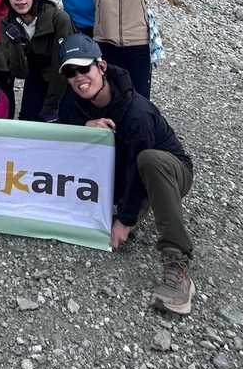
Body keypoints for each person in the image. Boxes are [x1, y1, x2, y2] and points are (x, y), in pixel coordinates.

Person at [55, 33, 195, 314]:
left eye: (84, 68)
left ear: (101, 66)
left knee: (149, 160)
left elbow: (135, 166)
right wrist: (84, 127)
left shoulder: (137, 113)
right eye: (70, 72)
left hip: (167, 173)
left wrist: (126, 220)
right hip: (120, 175)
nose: (79, 78)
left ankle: (177, 264)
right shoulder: (72, 99)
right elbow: (61, 134)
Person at [0, 0, 74, 122]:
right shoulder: (6, 23)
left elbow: (62, 66)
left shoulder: (59, 18)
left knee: (60, 123)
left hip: (62, 79)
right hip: (34, 77)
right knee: (28, 122)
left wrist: (51, 104)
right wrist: (15, 45)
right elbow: (19, 73)